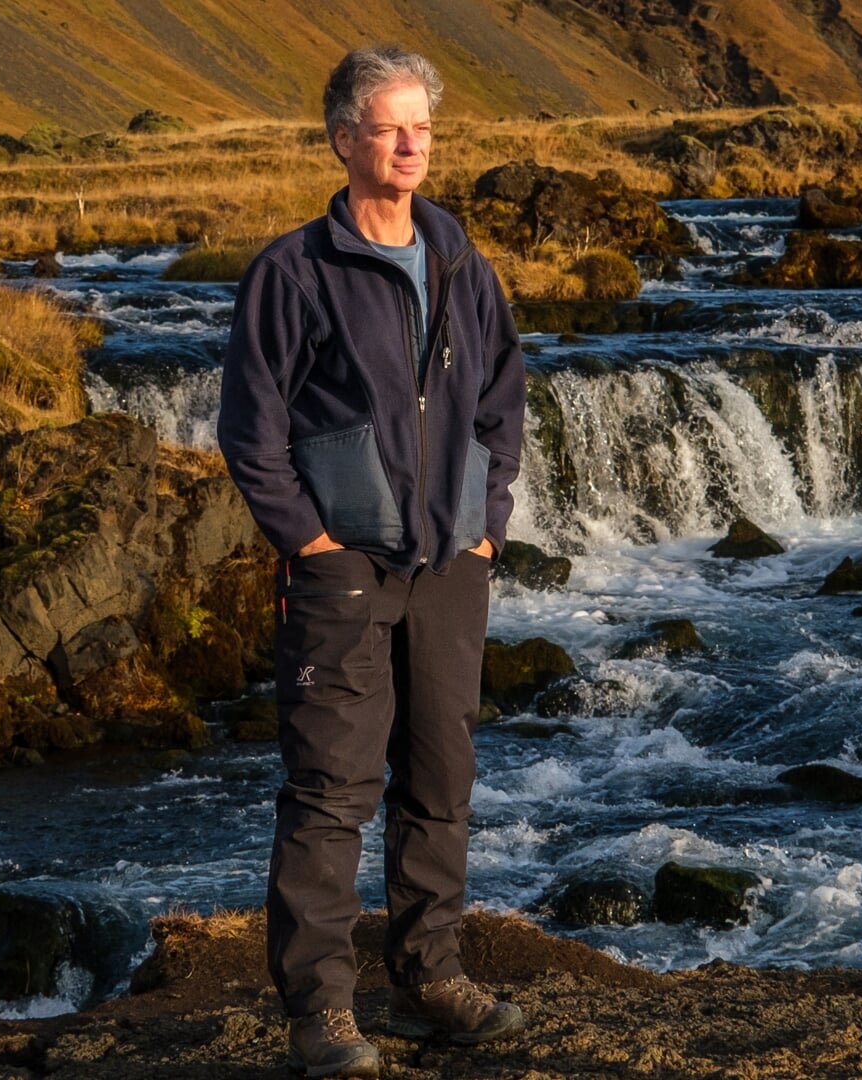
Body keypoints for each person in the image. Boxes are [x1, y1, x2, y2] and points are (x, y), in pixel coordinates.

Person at [217, 44, 526, 1079]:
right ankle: (321, 1012)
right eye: (391, 127)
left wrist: (487, 522)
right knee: (329, 790)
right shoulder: (293, 270)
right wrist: (309, 544)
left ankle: (430, 973)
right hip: (343, 571)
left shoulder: (460, 262)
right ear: (343, 138)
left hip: (449, 566)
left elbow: (500, 401)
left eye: (423, 128)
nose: (410, 145)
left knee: (440, 777)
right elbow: (252, 431)